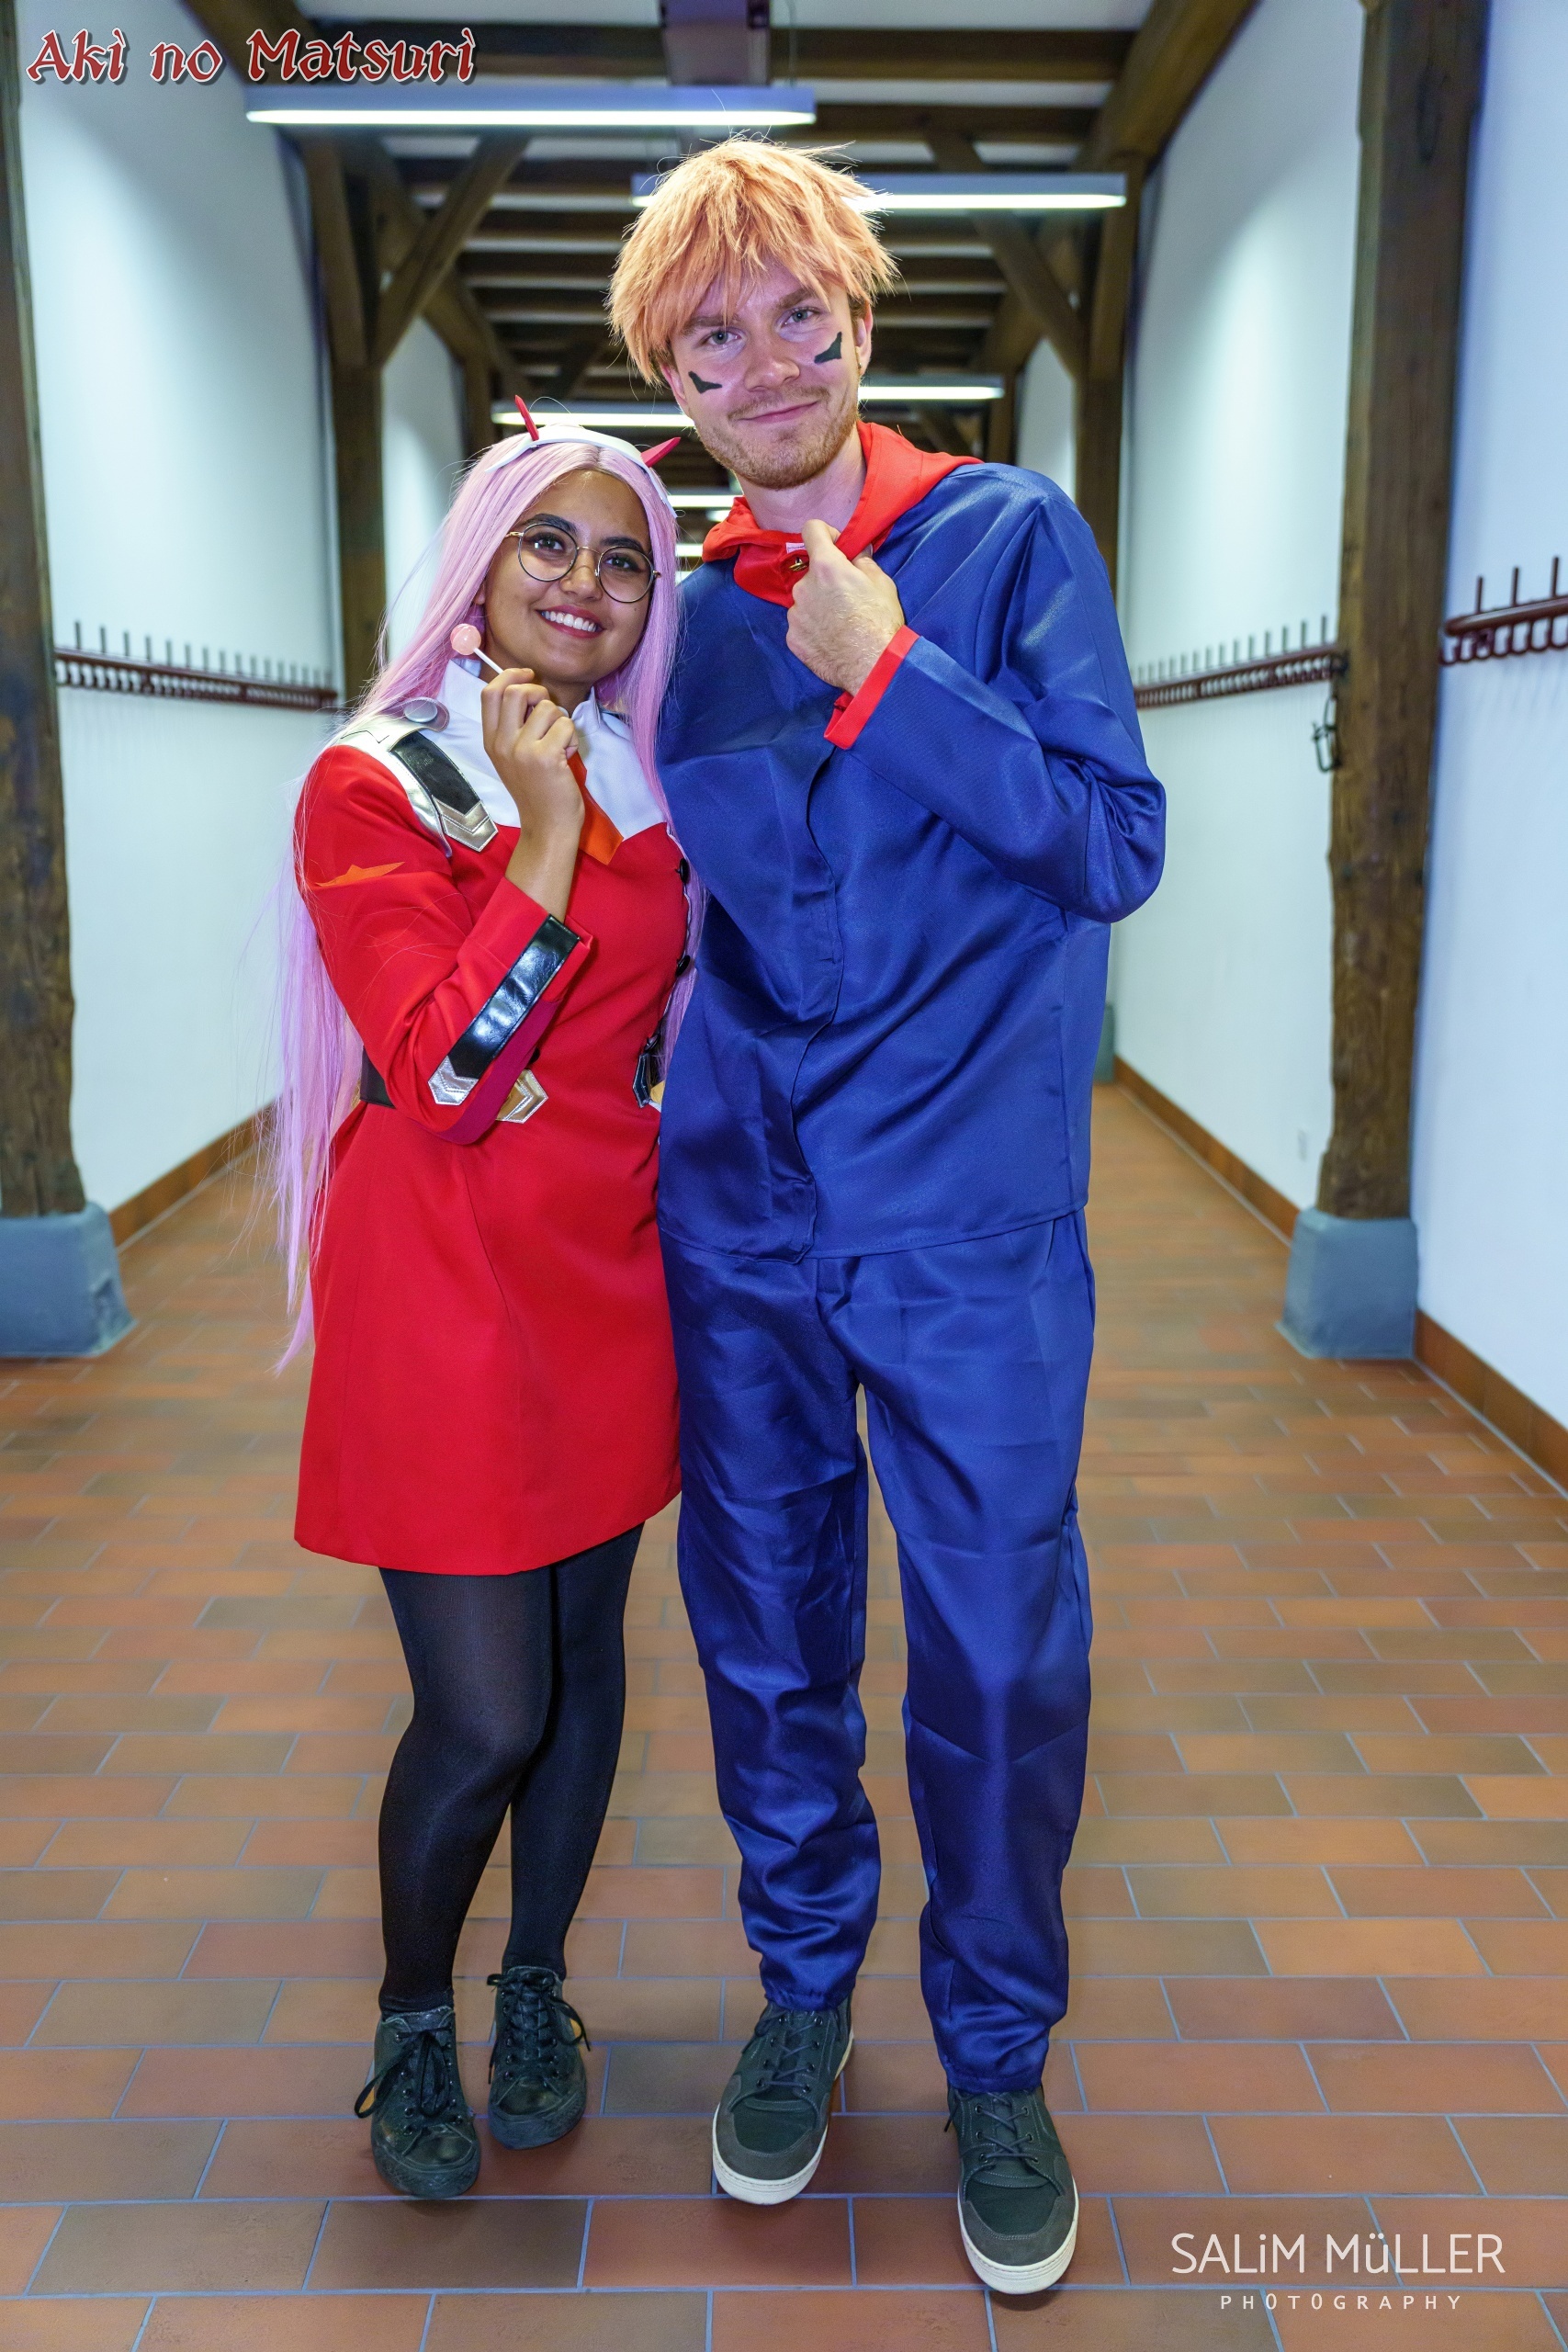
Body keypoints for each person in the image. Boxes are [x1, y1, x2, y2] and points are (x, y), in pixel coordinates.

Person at [608, 141, 1166, 2292]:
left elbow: (1105, 841)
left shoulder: (1001, 539)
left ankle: (996, 2052)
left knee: (1001, 1645)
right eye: (707, 337)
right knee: (762, 1627)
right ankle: (802, 1984)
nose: (759, 361)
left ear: (855, 317)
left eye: (791, 313)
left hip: (967, 1215)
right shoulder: (680, 614)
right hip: (741, 1206)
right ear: (673, 379)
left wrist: (887, 666)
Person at [272, 419, 691, 2199]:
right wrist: (543, 831)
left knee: (583, 1671)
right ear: (480, 561)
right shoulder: (376, 779)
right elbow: (443, 1071)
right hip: (440, 1282)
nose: (586, 585)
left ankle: (533, 1989)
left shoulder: (652, 768)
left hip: (607, 1272)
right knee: (485, 1710)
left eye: (623, 559)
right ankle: (408, 2019)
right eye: (550, 544)